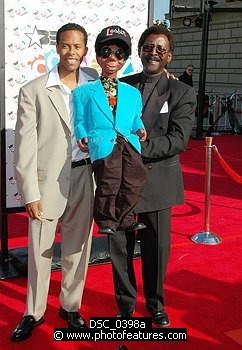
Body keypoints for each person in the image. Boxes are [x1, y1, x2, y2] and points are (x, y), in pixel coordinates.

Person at [10, 23, 98, 342]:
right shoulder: (33, 89)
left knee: (78, 247)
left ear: (85, 50)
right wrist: (30, 192)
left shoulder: (95, 83)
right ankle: (33, 312)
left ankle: (70, 306)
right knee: (39, 250)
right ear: (57, 48)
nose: (71, 52)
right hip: (47, 184)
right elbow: (25, 146)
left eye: (77, 46)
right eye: (65, 45)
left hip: (84, 176)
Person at [108, 25, 197, 326]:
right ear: (140, 50)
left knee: (156, 251)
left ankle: (156, 304)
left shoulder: (181, 91)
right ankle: (125, 306)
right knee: (120, 250)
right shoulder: (122, 86)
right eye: (148, 46)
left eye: (160, 48)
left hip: (157, 183)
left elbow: (178, 139)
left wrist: (137, 147)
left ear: (169, 56)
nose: (153, 52)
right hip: (121, 183)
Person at [73, 26, 148, 236]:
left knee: (135, 179)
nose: (112, 58)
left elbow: (135, 118)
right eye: (106, 53)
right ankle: (107, 220)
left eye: (119, 54)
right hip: (103, 142)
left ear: (124, 59)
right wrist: (82, 135)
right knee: (109, 182)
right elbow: (79, 120)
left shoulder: (132, 93)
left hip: (129, 142)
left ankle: (127, 218)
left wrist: (140, 129)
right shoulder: (83, 92)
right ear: (97, 56)